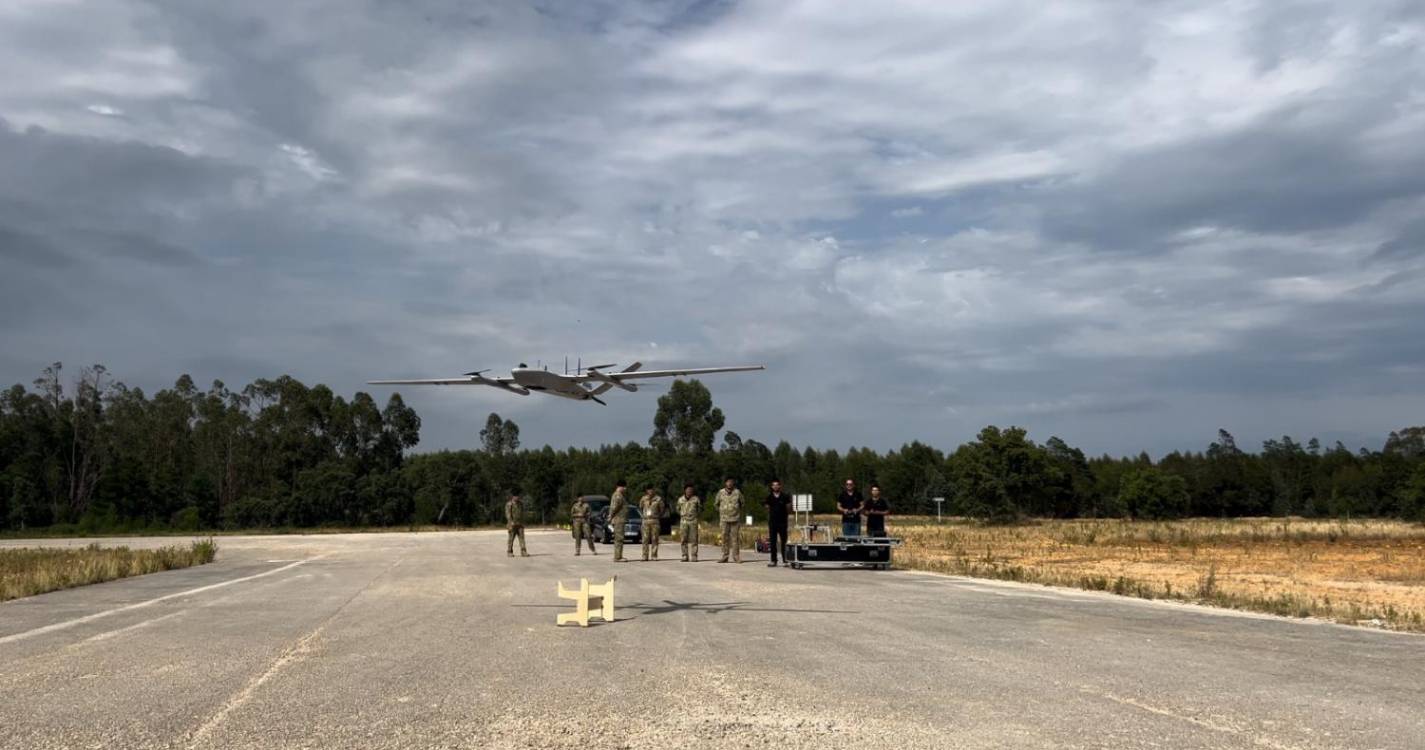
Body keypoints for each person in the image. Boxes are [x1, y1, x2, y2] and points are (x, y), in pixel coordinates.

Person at [764, 478, 792, 566]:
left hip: (783, 522)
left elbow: (788, 507)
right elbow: (766, 506)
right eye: (774, 485)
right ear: (772, 487)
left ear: (780, 486)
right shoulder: (769, 497)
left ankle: (785, 560)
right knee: (773, 542)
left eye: (777, 485)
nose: (775, 486)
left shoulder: (785, 496)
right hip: (772, 523)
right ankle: (773, 560)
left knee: (784, 541)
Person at [715, 478, 744, 563]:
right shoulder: (720, 492)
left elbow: (742, 503)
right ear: (725, 483)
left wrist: (736, 511)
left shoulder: (737, 492)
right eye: (728, 482)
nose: (729, 484)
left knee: (735, 539)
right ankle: (725, 556)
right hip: (724, 520)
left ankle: (736, 556)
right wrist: (722, 511)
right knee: (724, 538)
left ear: (733, 483)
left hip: (735, 519)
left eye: (731, 482)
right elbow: (716, 504)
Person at [676, 483, 701, 562]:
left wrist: (695, 515)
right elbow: (677, 509)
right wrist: (682, 514)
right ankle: (684, 555)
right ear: (685, 491)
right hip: (684, 521)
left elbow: (699, 509)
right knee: (683, 539)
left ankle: (694, 556)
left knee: (694, 539)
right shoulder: (680, 499)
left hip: (693, 520)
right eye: (688, 490)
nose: (689, 491)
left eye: (691, 490)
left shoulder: (696, 499)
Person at [640, 486, 665, 561]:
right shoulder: (643, 499)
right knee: (645, 539)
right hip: (645, 521)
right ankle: (645, 556)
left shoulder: (658, 499)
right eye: (648, 489)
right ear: (646, 491)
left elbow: (662, 509)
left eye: (651, 489)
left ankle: (654, 555)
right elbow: (641, 507)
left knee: (655, 539)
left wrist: (658, 516)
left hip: (655, 521)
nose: (650, 491)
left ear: (654, 490)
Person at [608, 480, 630, 562]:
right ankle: (617, 557)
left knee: (619, 538)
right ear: (620, 487)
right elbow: (614, 507)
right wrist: (610, 516)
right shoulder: (618, 495)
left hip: (620, 519)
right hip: (618, 519)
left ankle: (619, 555)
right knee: (619, 538)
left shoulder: (619, 495)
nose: (625, 488)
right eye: (624, 487)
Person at [505, 491, 528, 557]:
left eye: (518, 496)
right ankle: (509, 552)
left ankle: (523, 552)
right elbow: (508, 514)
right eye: (516, 496)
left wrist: (523, 522)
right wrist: (510, 522)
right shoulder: (509, 504)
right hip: (512, 524)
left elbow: (522, 513)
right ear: (513, 496)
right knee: (511, 538)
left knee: (522, 538)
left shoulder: (520, 504)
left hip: (520, 524)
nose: (517, 497)